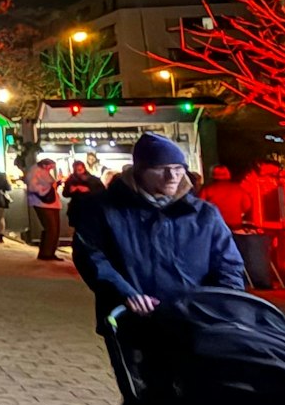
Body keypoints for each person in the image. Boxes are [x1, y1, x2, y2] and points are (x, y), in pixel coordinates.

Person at [71, 131, 247, 352]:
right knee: (150, 385)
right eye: (161, 169)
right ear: (140, 171)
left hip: (198, 324)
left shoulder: (204, 214)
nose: (172, 176)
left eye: (178, 168)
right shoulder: (103, 209)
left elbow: (228, 264)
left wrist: (224, 306)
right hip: (135, 322)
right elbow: (90, 255)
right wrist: (124, 293)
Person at [28, 157, 63, 261]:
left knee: (52, 228)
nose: (51, 169)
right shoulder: (37, 172)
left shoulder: (39, 172)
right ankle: (47, 253)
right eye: (50, 167)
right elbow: (34, 187)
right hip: (44, 203)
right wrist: (47, 189)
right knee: (51, 228)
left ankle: (47, 252)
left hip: (49, 203)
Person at [198, 164, 253, 229]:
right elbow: (247, 205)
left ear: (213, 175)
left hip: (215, 225)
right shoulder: (239, 189)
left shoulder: (207, 190)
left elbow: (200, 207)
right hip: (235, 225)